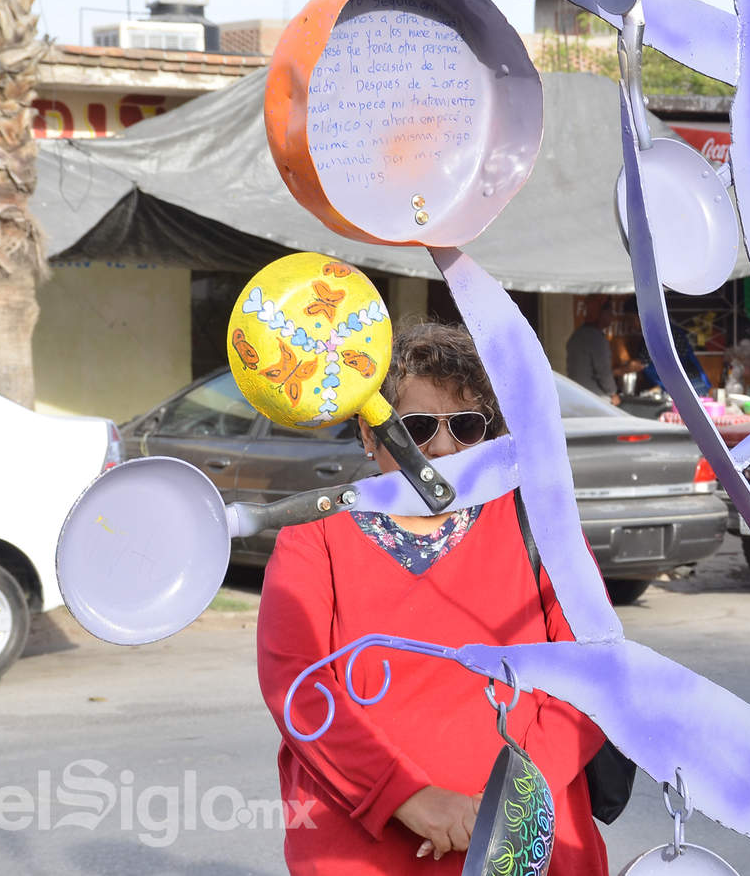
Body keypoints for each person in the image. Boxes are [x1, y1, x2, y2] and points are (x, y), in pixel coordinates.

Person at [257, 322, 609, 876]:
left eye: (466, 427)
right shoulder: (314, 536)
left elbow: (595, 673)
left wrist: (509, 803)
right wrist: (409, 798)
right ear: (369, 433)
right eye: (417, 428)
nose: (443, 449)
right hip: (366, 850)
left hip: (525, 840)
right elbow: (297, 689)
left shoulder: (541, 523)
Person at [566, 296, 621, 405]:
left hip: (575, 396)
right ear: (601, 313)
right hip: (594, 399)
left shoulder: (576, 335)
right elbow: (604, 373)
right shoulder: (596, 338)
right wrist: (613, 393)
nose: (612, 316)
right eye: (610, 312)